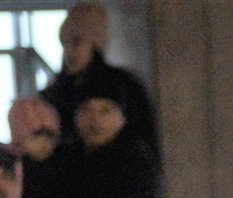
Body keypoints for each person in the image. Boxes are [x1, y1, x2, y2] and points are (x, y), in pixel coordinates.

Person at [54, 72, 161, 198]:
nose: (94, 120)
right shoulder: (68, 158)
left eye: (105, 111)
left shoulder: (134, 159)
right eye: (86, 110)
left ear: (122, 116)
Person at [41, 4, 160, 163]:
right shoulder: (55, 93)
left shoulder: (125, 86)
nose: (69, 52)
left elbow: (145, 141)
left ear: (95, 42)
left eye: (77, 42)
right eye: (65, 43)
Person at [9, 96, 65, 198]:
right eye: (35, 137)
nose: (43, 143)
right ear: (19, 137)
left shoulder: (59, 165)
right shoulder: (14, 168)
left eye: (49, 137)